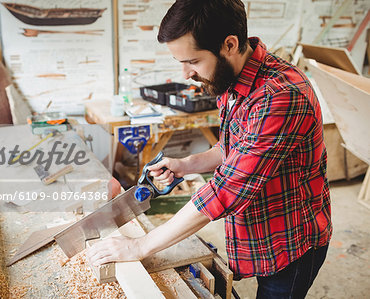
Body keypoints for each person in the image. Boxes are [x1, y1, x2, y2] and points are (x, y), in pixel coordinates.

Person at [87, 0, 332, 297]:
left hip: (290, 240)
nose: (185, 74)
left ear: (229, 44)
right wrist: (187, 163)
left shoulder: (280, 97)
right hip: (259, 229)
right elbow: (233, 147)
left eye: (192, 62)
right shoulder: (233, 76)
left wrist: (139, 245)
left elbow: (225, 191)